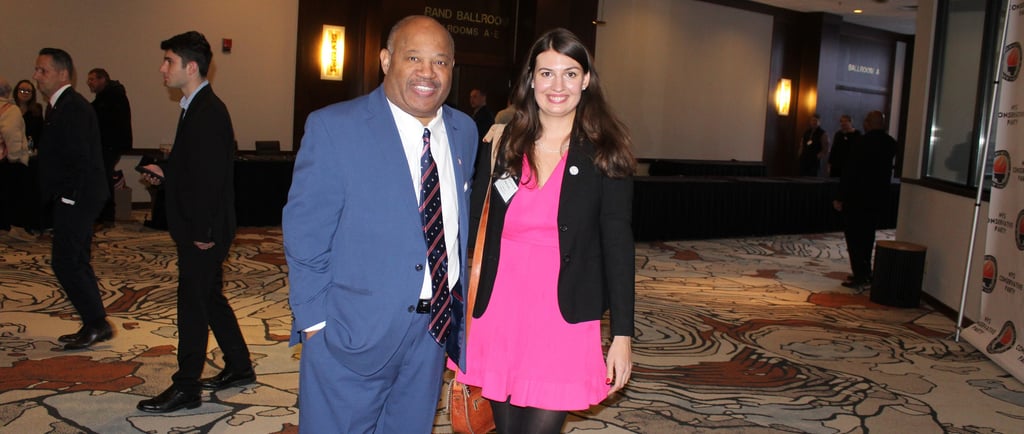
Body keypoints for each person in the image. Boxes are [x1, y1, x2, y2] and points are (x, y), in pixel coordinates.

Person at [282, 15, 477, 433]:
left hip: (432, 332)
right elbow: (305, 233)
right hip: (350, 332)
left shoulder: (464, 131)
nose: (428, 73)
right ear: (387, 60)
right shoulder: (335, 127)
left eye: (440, 62)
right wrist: (316, 324)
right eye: (413, 58)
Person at [458, 28, 636, 434]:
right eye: (547, 73)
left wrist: (622, 334)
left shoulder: (607, 150)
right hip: (500, 309)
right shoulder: (503, 144)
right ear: (531, 80)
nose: (558, 85)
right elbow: (471, 228)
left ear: (586, 80)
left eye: (570, 74)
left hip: (564, 315)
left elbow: (617, 244)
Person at [136, 31, 255, 413]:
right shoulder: (195, 105)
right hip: (200, 226)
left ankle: (186, 386)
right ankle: (239, 366)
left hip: (202, 231)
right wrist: (167, 173)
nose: (162, 68)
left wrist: (203, 232)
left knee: (192, 305)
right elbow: (196, 170)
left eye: (168, 61)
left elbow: (211, 180)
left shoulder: (208, 111)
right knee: (209, 298)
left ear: (190, 67)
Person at [32, 48, 112, 350]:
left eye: (43, 71)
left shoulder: (73, 107)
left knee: (66, 261)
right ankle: (95, 322)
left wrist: (68, 197)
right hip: (73, 197)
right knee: (75, 259)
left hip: (77, 198)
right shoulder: (60, 106)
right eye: (37, 70)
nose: (37, 76)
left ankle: (97, 322)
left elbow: (80, 157)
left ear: (63, 74)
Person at [833, 110, 896, 290]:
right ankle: (866, 272)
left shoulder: (861, 142)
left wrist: (840, 196)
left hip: (857, 198)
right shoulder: (890, 143)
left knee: (854, 237)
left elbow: (850, 171)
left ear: (868, 123)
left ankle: (860, 274)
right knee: (868, 235)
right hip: (876, 198)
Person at [87, 68, 133, 227]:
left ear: (102, 80)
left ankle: (105, 216)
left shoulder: (111, 97)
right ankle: (105, 216)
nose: (89, 83)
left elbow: (102, 119)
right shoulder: (111, 95)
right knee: (104, 178)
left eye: (92, 79)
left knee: (103, 179)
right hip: (111, 144)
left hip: (109, 144)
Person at [0, 77, 31, 238]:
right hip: (6, 160)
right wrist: (15, 157)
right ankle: (8, 228)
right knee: (10, 195)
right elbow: (11, 134)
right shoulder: (10, 110)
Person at [13, 80, 43, 145]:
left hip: (31, 149)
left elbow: (40, 132)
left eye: (28, 91)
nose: (25, 93)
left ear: (32, 94)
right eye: (22, 90)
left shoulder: (37, 109)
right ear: (16, 92)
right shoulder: (11, 109)